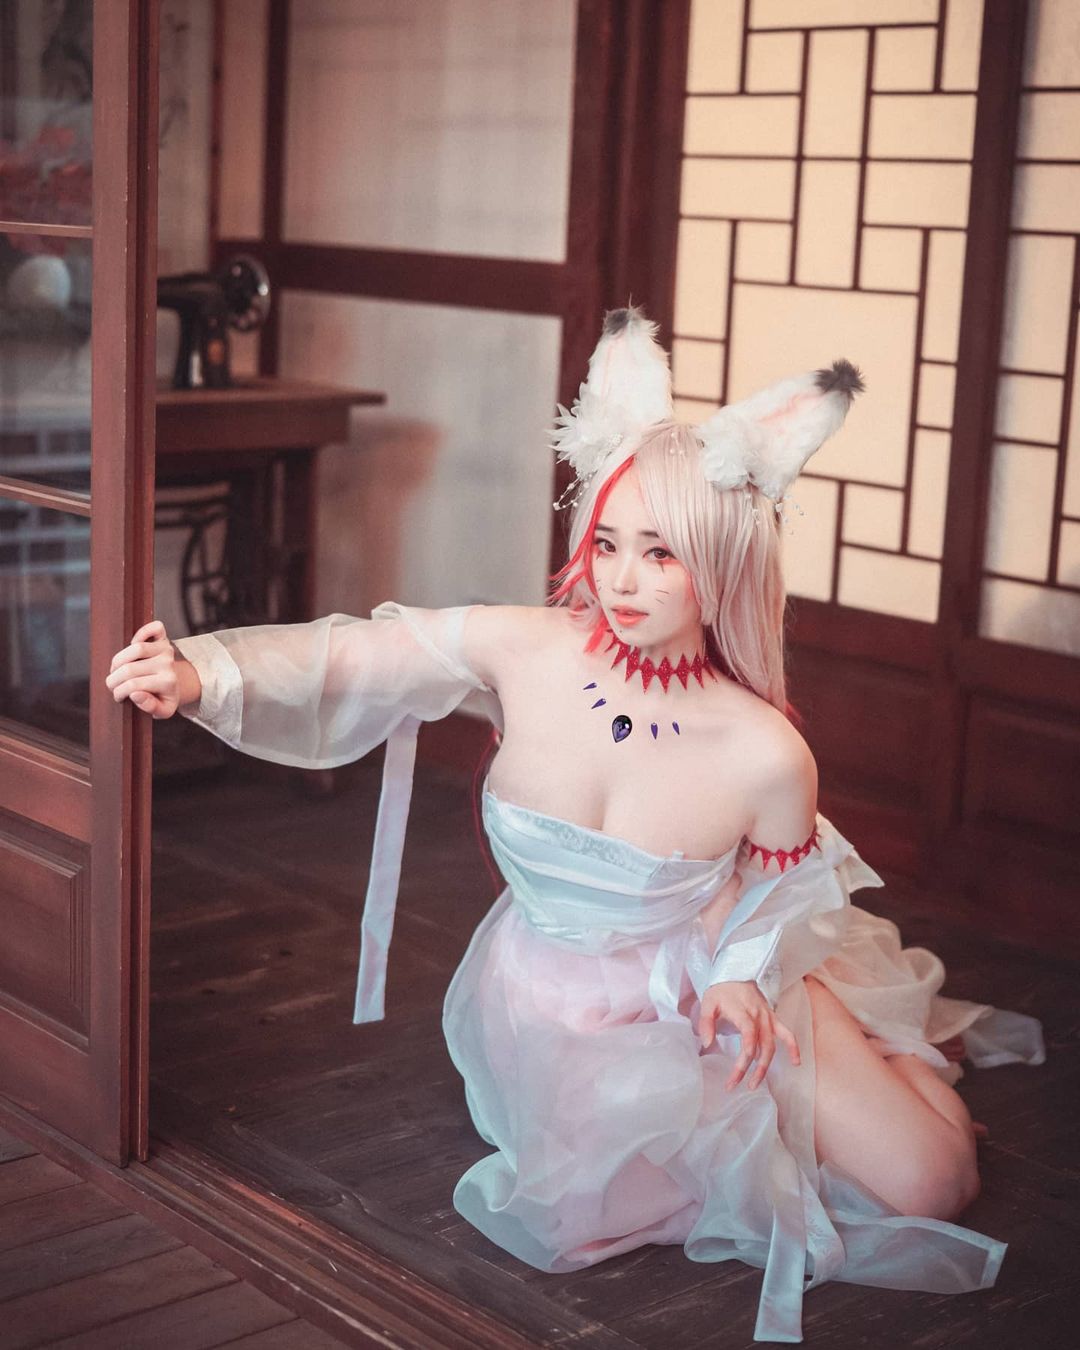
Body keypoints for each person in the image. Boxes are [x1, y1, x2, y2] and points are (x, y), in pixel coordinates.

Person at [105, 308, 1045, 1343]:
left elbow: (783, 887)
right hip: (551, 1003)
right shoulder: (528, 649)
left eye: (661, 552)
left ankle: (885, 1056)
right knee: (593, 1212)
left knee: (936, 1185)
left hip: (715, 978)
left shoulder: (767, 750)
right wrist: (199, 673)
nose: (621, 579)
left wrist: (741, 972)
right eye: (607, 542)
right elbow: (355, 656)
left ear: (723, 562)